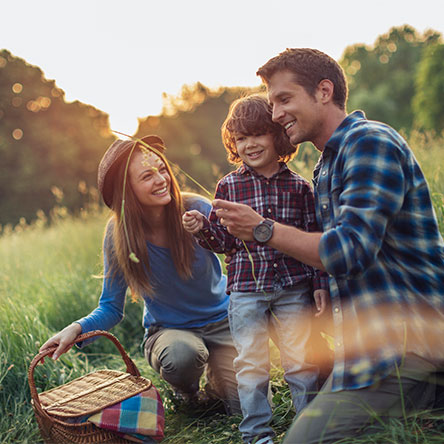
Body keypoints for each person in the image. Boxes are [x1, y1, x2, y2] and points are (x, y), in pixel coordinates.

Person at [211, 48, 444, 443]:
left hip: (407, 343)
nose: (276, 113)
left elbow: (348, 250)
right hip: (369, 349)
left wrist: (263, 229)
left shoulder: (369, 143)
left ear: (323, 91)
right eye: (272, 104)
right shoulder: (326, 166)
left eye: (284, 100)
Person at [39, 135, 241, 416]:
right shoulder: (118, 235)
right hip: (172, 332)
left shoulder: (197, 208)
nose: (161, 179)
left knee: (244, 404)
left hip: (223, 322)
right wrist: (76, 329)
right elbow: (111, 307)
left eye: (161, 169)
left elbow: (237, 255)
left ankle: (218, 383)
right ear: (127, 190)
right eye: (147, 175)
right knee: (182, 356)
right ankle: (187, 392)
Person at [182, 94, 329, 444]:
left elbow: (314, 239)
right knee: (250, 364)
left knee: (301, 362)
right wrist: (203, 227)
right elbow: (224, 243)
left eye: (258, 135)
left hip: (294, 287)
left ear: (277, 135)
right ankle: (256, 433)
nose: (249, 145)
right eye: (241, 138)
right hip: (247, 289)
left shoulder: (299, 187)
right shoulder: (228, 187)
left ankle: (305, 429)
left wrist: (320, 283)